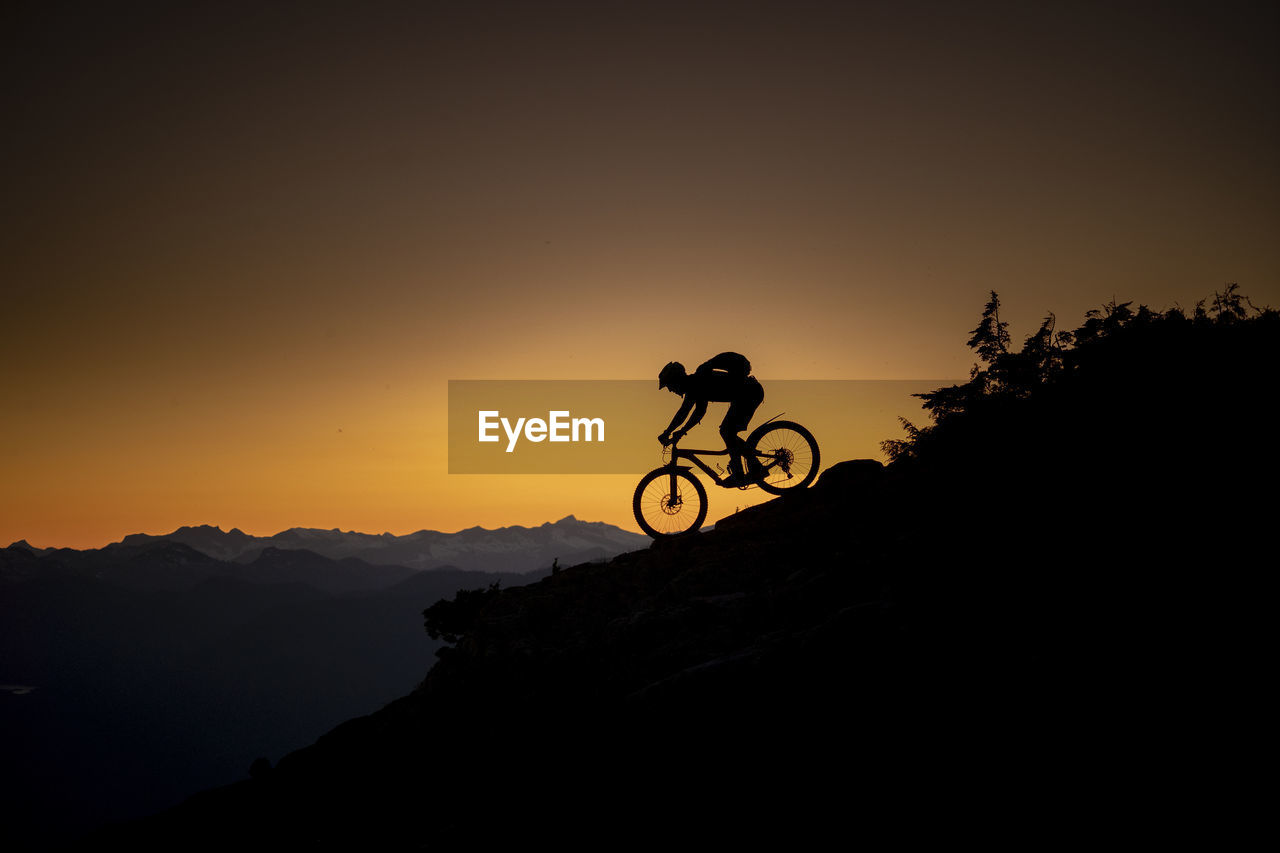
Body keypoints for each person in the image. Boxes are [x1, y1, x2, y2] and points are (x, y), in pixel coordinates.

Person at [658, 352, 765, 488]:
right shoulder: (694, 385)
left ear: (676, 380)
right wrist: (677, 431)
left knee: (727, 432)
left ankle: (745, 472)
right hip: (748, 394)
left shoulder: (697, 382)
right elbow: (692, 413)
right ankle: (751, 468)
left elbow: (690, 412)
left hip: (750, 394)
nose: (670, 390)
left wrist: (672, 432)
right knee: (727, 432)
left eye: (669, 386)